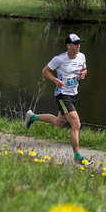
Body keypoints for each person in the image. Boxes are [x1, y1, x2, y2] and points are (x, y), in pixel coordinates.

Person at [25, 33, 90, 165]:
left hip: (73, 94)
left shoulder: (82, 56)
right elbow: (45, 71)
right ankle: (77, 157)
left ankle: (32, 117)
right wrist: (55, 80)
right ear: (68, 45)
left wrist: (84, 73)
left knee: (59, 122)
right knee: (76, 124)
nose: (78, 46)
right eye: (75, 44)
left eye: (79, 43)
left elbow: (84, 69)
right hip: (62, 95)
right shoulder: (59, 59)